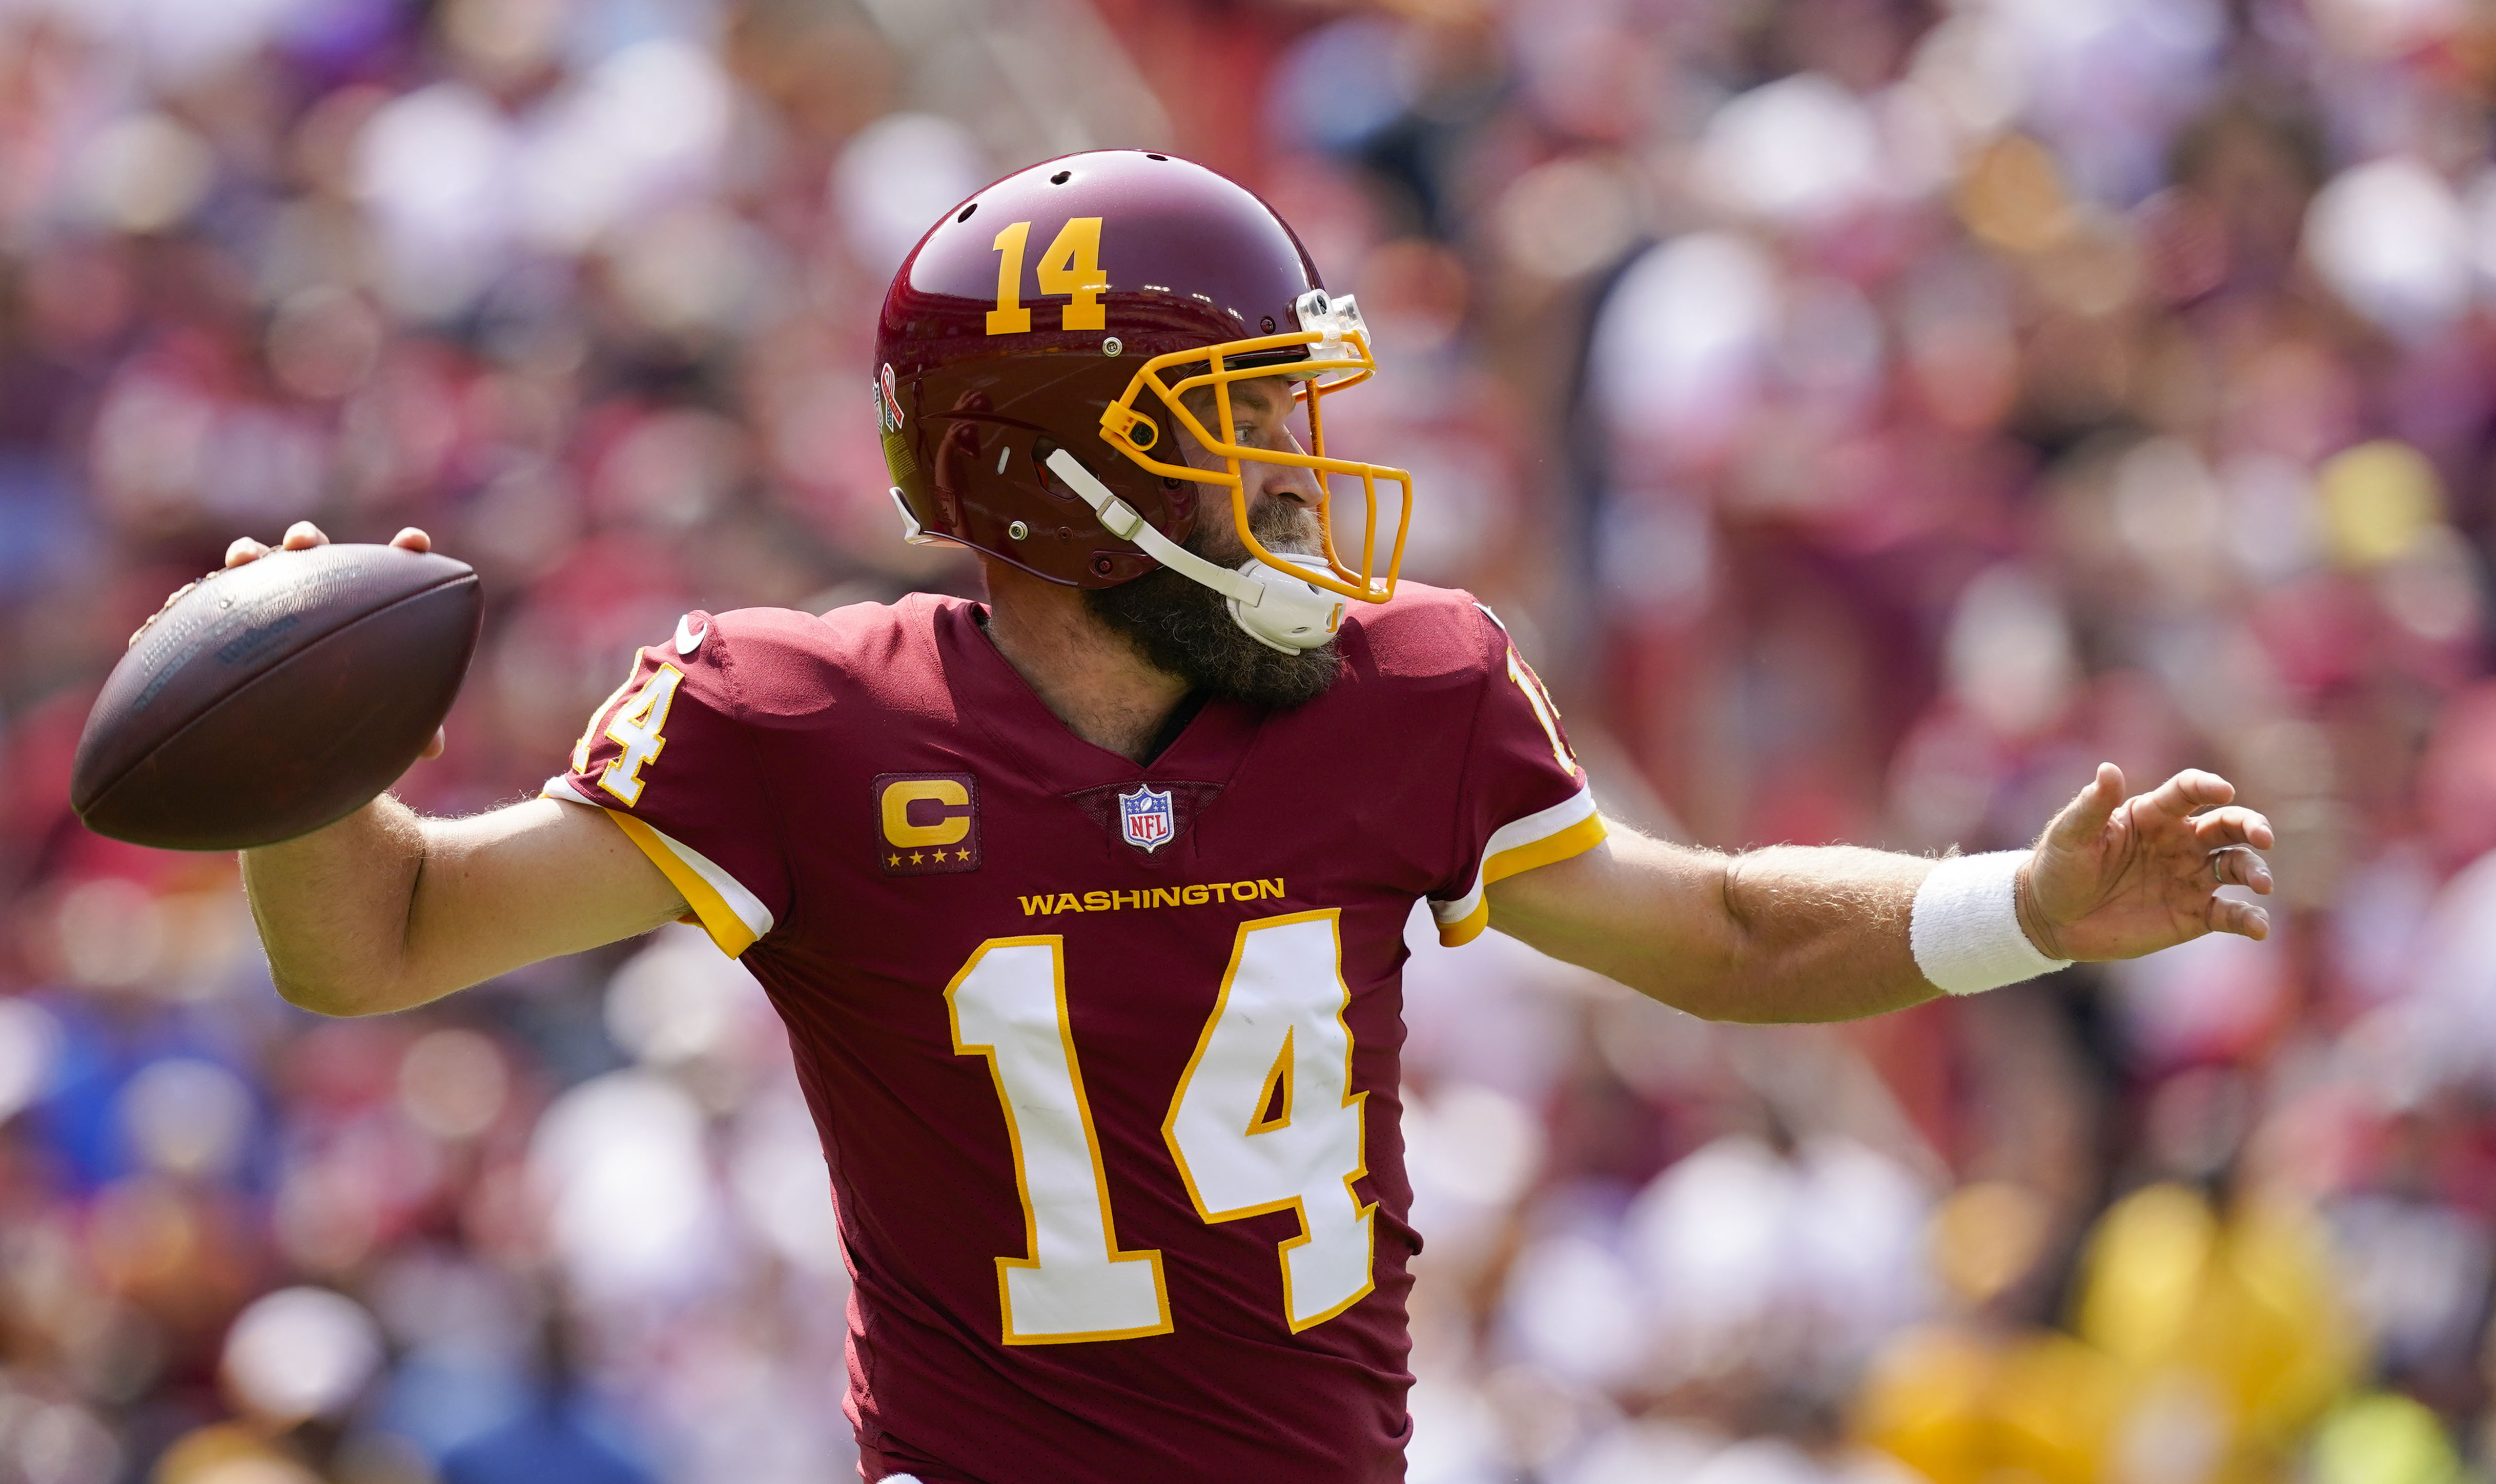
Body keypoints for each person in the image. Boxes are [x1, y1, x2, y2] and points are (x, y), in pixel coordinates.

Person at [221, 152, 2276, 1484]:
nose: (1305, 466)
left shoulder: (1410, 690)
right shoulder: (798, 722)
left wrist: (2021, 904)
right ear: (1043, 473)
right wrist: (296, 758)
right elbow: (371, 943)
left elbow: (1722, 930)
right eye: (1242, 416)